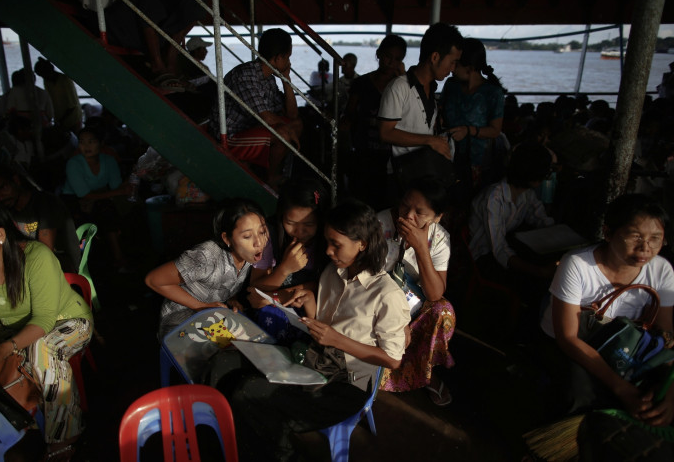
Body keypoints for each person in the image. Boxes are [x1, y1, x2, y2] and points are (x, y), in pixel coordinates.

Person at [225, 200, 410, 462]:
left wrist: (338, 340)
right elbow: (321, 323)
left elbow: (392, 358)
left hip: (347, 384)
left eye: (337, 244)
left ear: (363, 244)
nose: (328, 250)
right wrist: (309, 301)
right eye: (327, 241)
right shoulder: (333, 273)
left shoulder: (387, 294)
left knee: (249, 394)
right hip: (316, 361)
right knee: (228, 370)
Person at [0, 197, 93, 460]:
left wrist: (2, 350)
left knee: (43, 349)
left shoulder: (34, 256)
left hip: (67, 321)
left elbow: (44, 320)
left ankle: (65, 439)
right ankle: (5, 419)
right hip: (13, 330)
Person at [540, 194, 674, 424]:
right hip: (574, 344)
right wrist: (622, 388)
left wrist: (670, 394)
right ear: (609, 232)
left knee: (655, 396)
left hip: (623, 346)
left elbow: (665, 334)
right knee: (579, 395)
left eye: (655, 238)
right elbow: (568, 338)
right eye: (635, 236)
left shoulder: (661, 270)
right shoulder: (578, 265)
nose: (645, 248)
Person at [376, 176, 455, 405]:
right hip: (378, 303)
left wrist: (421, 247)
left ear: (437, 217)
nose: (407, 216)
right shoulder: (378, 225)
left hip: (414, 307)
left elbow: (434, 294)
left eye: (419, 212)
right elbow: (367, 282)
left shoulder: (440, 239)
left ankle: (424, 371)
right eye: (404, 206)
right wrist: (398, 320)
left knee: (443, 311)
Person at [145, 198, 269, 339]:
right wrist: (200, 306)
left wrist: (231, 298)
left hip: (211, 316)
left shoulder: (249, 255)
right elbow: (153, 280)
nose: (259, 242)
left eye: (262, 231)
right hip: (180, 319)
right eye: (247, 236)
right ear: (227, 239)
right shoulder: (206, 256)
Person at [209, 28, 302, 187]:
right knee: (282, 133)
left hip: (249, 128)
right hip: (230, 135)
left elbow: (292, 115)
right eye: (288, 57)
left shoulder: (268, 78)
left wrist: (286, 79)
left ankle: (274, 169)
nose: (289, 63)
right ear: (278, 58)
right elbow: (265, 117)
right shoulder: (246, 75)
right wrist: (286, 128)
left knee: (296, 124)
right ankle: (272, 177)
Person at [78, 0, 204, 89]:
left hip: (139, 23)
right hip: (109, 20)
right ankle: (157, 65)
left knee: (194, 2)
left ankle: (170, 61)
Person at [378, 23, 464, 190]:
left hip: (424, 173)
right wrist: (430, 140)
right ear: (435, 57)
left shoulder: (431, 89)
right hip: (402, 175)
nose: (453, 69)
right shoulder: (399, 87)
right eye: (452, 62)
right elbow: (385, 133)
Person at [248, 178, 330, 343]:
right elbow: (255, 291)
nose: (299, 231)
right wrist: (284, 269)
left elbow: (323, 285)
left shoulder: (328, 240)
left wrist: (278, 296)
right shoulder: (269, 235)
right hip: (273, 306)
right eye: (290, 223)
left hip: (307, 305)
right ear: (281, 217)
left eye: (309, 224)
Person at [468, 142, 556, 281]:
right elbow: (499, 249)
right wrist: (539, 272)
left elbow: (540, 218)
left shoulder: (527, 193)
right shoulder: (494, 198)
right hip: (482, 255)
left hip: (502, 247)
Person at [340, 35, 407, 209]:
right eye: (387, 56)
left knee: (386, 199)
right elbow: (350, 112)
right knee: (361, 197)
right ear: (379, 54)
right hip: (364, 149)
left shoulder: (402, 85)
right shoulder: (361, 83)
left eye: (397, 59)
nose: (391, 62)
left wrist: (405, 78)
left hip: (391, 152)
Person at [0, 163, 80, 273]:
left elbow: (45, 251)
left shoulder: (46, 203)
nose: (0, 196)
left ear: (16, 181)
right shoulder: (7, 210)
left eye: (3, 187)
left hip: (60, 266)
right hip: (31, 264)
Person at [442, 37, 507, 194]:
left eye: (456, 64)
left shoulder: (493, 93)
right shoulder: (451, 85)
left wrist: (468, 130)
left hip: (476, 162)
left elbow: (495, 130)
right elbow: (441, 111)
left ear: (469, 68)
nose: (451, 69)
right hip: (447, 156)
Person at [61, 125, 130, 270]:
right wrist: (116, 193)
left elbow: (116, 186)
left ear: (100, 143)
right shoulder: (74, 163)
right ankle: (82, 261)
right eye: (82, 142)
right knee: (96, 213)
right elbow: (83, 195)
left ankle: (119, 258)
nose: (86, 146)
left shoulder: (109, 161)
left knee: (110, 209)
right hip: (73, 200)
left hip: (100, 199)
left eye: (91, 141)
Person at [33, 57, 83, 134]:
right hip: (60, 120)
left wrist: (60, 121)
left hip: (73, 119)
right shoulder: (47, 82)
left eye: (44, 75)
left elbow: (72, 105)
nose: (44, 78)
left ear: (49, 72)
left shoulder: (65, 80)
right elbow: (50, 99)